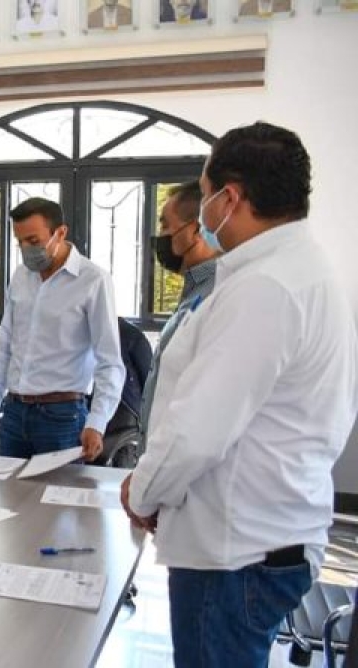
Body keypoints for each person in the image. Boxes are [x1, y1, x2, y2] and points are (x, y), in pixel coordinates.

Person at [122, 122, 358, 668]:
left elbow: (197, 431)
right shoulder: (300, 271)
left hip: (233, 555)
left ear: (230, 198)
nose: (203, 213)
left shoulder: (264, 287)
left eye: (205, 196)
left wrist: (144, 493)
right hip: (263, 537)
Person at [0, 197, 124, 461]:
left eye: (33, 241)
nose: (26, 249)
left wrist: (97, 422)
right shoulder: (20, 277)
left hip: (62, 417)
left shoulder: (93, 280)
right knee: (7, 487)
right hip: (14, 412)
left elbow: (110, 360)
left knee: (59, 489)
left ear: (61, 233)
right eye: (20, 242)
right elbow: (6, 347)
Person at [139, 180, 218, 435]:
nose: (160, 235)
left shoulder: (216, 293)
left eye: (165, 225)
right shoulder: (193, 290)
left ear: (195, 230)